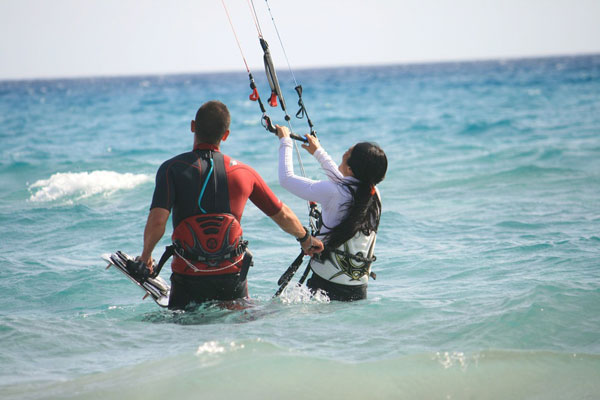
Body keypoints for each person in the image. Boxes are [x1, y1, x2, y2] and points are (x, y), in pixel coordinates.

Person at [137, 100, 323, 310]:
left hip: (188, 277)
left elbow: (157, 221)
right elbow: (282, 215)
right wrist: (306, 239)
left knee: (184, 332)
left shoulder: (171, 169)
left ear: (192, 126)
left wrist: (146, 257)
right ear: (226, 135)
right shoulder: (244, 173)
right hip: (232, 278)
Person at [276, 125, 387, 301]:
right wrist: (318, 152)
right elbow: (345, 183)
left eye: (348, 151)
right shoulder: (374, 193)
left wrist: (285, 141)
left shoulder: (333, 192)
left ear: (351, 169)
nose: (345, 151)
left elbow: (286, 179)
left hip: (325, 288)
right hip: (359, 290)